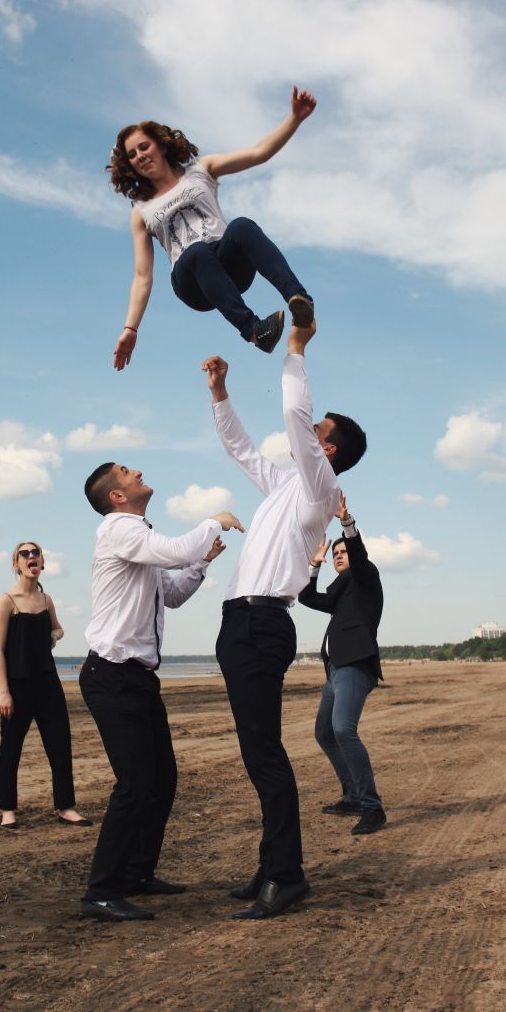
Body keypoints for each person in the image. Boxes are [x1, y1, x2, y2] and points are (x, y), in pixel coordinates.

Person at [203, 321, 368, 919]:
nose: (309, 432)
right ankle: (272, 863)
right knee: (257, 752)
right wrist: (220, 394)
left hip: (263, 625)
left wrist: (295, 351)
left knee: (263, 754)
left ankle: (287, 873)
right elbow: (243, 449)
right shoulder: (282, 487)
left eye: (319, 433)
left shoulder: (320, 487)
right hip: (237, 625)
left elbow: (298, 420)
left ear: (328, 452)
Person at [77, 462, 241, 923]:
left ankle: (136, 874)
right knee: (134, 785)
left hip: (138, 678)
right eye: (129, 472)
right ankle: (101, 891)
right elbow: (173, 551)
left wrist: (203, 561)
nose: (139, 472)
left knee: (161, 779)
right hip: (111, 675)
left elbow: (171, 591)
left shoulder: (137, 542)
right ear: (116, 496)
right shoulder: (118, 529)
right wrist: (216, 519)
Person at [107, 86, 319, 370]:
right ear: (130, 165)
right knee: (195, 252)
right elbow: (142, 276)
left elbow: (259, 152)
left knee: (241, 226)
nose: (140, 156)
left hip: (229, 268)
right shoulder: (140, 210)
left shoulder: (201, 169)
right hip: (193, 282)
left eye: (144, 147)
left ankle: (299, 300)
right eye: (132, 155)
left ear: (161, 145)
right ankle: (255, 331)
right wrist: (130, 328)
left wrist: (294, 118)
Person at [298, 493, 386, 836]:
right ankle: (351, 796)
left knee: (343, 730)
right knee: (325, 733)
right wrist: (315, 563)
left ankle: (372, 807)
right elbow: (307, 597)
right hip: (335, 670)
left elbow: (360, 557)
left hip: (354, 664)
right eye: (335, 553)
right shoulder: (340, 590)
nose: (338, 555)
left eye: (341, 552)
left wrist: (346, 524)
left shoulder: (365, 577)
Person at [0, 541, 89, 831]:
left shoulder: (46, 600)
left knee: (60, 746)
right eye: (24, 554)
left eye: (35, 553)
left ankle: (66, 807)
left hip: (48, 683)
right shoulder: (7, 601)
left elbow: (57, 627)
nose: (31, 556)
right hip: (18, 686)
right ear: (16, 564)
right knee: (10, 749)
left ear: (42, 563)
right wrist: (4, 691)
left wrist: (55, 634)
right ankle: (7, 810)